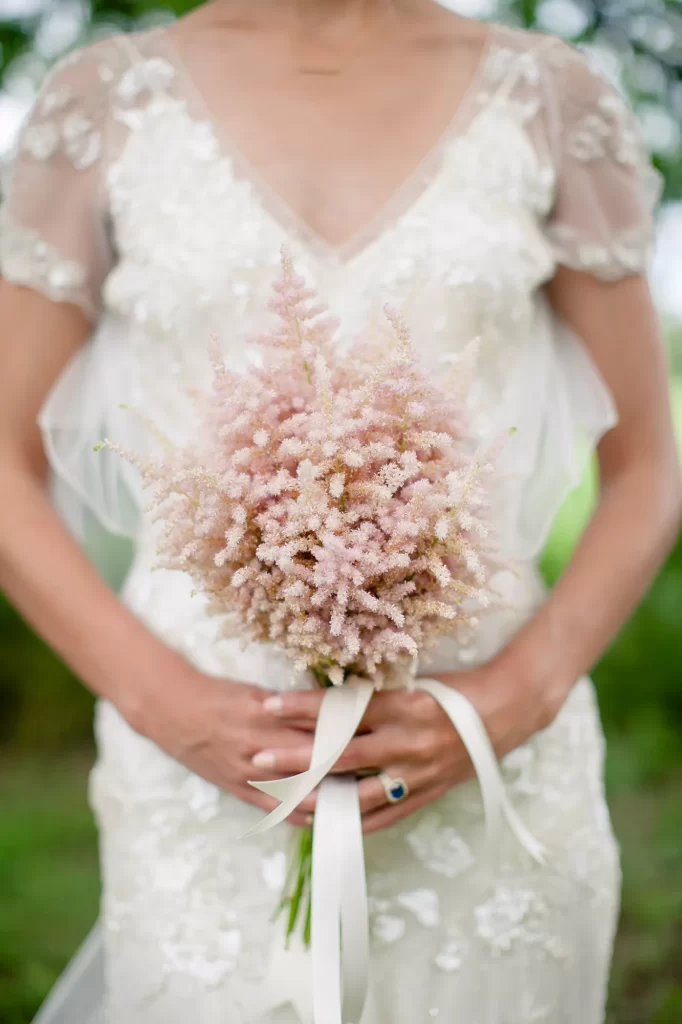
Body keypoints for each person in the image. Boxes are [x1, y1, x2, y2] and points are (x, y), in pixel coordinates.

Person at [0, 1, 679, 1022]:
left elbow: (646, 468)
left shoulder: (549, 97)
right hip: (199, 767)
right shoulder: (102, 103)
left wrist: (507, 701)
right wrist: (165, 704)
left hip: (489, 755)